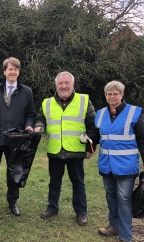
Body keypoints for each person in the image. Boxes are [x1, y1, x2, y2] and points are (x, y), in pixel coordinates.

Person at [95, 80, 144, 242]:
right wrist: (88, 141)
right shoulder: (100, 114)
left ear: (122, 95)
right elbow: (98, 136)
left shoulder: (134, 113)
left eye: (115, 93)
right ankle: (114, 226)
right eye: (109, 94)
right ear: (105, 96)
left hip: (126, 167)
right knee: (111, 195)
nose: (112, 97)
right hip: (106, 165)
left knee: (124, 200)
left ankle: (125, 239)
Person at [34, 71, 98, 226]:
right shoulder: (47, 103)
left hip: (75, 150)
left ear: (73, 84)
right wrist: (39, 127)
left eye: (66, 83)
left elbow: (93, 126)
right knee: (54, 182)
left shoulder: (84, 101)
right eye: (60, 84)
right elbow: (40, 119)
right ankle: (52, 208)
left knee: (78, 182)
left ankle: (81, 212)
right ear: (56, 86)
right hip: (55, 150)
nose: (63, 86)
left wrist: (90, 147)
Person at [0, 57, 36, 216]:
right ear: (4, 71)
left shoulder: (27, 92)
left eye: (15, 69)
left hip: (15, 140)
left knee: (14, 172)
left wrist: (28, 125)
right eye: (10, 69)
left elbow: (30, 114)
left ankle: (12, 201)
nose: (13, 72)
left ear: (18, 72)